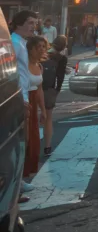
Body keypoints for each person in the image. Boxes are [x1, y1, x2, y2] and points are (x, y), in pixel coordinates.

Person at [9, 11, 36, 195]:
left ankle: (18, 182)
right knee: (19, 142)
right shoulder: (15, 43)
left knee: (22, 142)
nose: (33, 26)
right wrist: (20, 98)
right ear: (18, 24)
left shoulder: (21, 42)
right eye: (29, 22)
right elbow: (10, 73)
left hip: (23, 95)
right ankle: (14, 187)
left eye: (35, 23)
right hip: (19, 98)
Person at [23, 35, 47, 189]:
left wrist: (43, 110)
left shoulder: (39, 66)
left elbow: (39, 90)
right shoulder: (23, 65)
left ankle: (25, 175)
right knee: (24, 140)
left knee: (34, 141)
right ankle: (20, 177)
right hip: (24, 103)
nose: (42, 50)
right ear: (30, 49)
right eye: (38, 47)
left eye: (44, 47)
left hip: (34, 104)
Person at [41, 35, 68, 155]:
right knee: (48, 118)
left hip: (36, 85)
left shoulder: (43, 53)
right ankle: (47, 147)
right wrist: (57, 90)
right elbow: (60, 77)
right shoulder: (61, 58)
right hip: (49, 89)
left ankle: (29, 145)